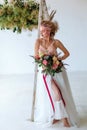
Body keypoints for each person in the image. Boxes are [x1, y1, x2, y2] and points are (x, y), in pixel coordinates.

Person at [33, 20, 79, 127]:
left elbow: (67, 53)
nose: (45, 32)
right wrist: (44, 62)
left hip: (57, 71)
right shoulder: (38, 42)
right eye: (43, 30)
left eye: (47, 30)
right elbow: (36, 57)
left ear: (51, 31)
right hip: (45, 72)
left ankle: (58, 116)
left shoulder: (56, 42)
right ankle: (63, 119)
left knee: (60, 94)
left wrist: (58, 60)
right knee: (55, 93)